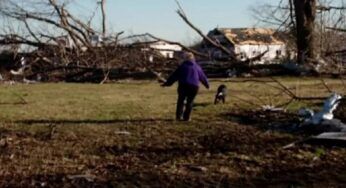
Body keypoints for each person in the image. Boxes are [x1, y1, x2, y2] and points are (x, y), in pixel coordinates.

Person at [161, 52, 209, 121]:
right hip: (194, 86)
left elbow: (174, 76)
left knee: (181, 101)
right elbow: (202, 77)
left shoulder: (182, 66)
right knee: (190, 102)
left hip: (183, 85)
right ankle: (186, 117)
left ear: (185, 59)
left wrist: (167, 84)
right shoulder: (197, 67)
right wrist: (207, 85)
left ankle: (179, 117)